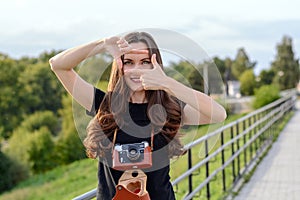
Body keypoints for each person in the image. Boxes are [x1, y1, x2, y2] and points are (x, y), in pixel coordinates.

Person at [49, 31, 227, 200]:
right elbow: (58, 65)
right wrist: (102, 45)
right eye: (129, 62)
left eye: (144, 62)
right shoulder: (104, 105)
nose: (137, 70)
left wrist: (166, 83)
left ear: (155, 65)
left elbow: (219, 114)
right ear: (119, 65)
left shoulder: (170, 109)